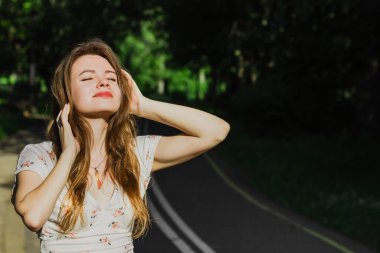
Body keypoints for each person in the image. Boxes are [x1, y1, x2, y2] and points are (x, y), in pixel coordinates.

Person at [11, 38, 230, 253]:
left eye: (111, 78)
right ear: (66, 95)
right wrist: (69, 154)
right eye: (87, 78)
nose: (103, 82)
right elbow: (33, 217)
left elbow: (216, 132)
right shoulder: (40, 156)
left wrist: (143, 106)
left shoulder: (134, 153)